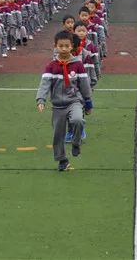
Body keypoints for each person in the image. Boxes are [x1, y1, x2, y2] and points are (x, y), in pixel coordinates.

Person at [35, 30, 93, 172]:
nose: (64, 49)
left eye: (67, 46)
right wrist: (41, 99)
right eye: (61, 46)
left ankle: (76, 142)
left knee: (78, 120)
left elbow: (84, 84)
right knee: (57, 136)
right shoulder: (51, 66)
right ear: (55, 46)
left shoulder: (78, 64)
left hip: (74, 101)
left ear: (72, 46)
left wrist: (88, 101)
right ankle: (62, 160)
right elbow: (45, 84)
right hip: (58, 106)